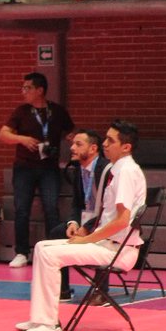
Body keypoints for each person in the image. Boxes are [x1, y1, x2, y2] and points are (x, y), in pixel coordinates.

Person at [15, 120, 147, 331]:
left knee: (48, 254)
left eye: (110, 141)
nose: (105, 144)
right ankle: (40, 318)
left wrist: (88, 240)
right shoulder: (118, 169)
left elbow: (123, 221)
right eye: (105, 139)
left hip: (118, 250)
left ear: (126, 147)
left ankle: (50, 326)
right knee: (40, 247)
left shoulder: (126, 172)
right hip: (106, 244)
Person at [0, 73, 75, 269]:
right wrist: (22, 139)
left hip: (49, 168)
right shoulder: (21, 111)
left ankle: (52, 250)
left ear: (39, 90)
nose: (23, 92)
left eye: (27, 88)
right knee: (22, 209)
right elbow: (3, 134)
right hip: (24, 168)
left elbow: (71, 132)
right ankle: (22, 252)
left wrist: (76, 142)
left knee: (51, 208)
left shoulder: (57, 111)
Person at [45, 129, 110, 302]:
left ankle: (101, 292)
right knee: (56, 233)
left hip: (105, 222)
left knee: (101, 236)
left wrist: (87, 228)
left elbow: (107, 209)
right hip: (86, 219)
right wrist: (72, 223)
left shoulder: (105, 169)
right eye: (72, 144)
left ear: (93, 148)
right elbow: (76, 204)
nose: (72, 148)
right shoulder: (79, 171)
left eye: (78, 144)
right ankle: (63, 290)